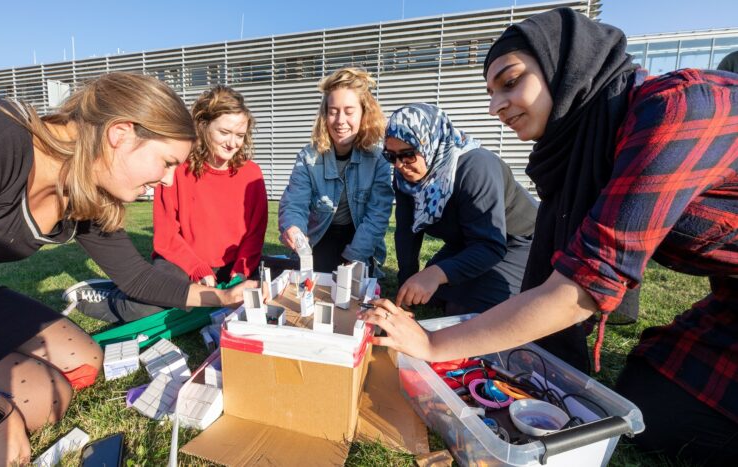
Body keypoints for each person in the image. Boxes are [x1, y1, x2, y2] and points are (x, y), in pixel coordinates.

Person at [361, 8, 737, 464]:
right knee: (650, 399)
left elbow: (581, 286)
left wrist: (432, 343)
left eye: (511, 81)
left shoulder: (677, 112)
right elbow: (556, 259)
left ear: (567, 66)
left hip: (502, 252)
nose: (494, 106)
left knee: (688, 429)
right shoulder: (576, 147)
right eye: (490, 92)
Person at [0, 73, 253, 466]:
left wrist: (221, 297)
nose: (168, 179)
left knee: (81, 361)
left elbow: (136, 277)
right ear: (120, 134)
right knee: (26, 407)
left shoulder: (86, 184)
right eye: (166, 162)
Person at [66, 85, 267, 323]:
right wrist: (197, 268)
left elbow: (255, 233)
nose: (232, 143)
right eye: (224, 132)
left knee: (252, 301)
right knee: (142, 311)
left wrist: (241, 272)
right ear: (203, 126)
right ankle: (106, 295)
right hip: (182, 263)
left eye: (240, 135)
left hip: (231, 266)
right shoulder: (174, 168)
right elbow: (166, 237)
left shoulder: (252, 173)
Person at [387, 103, 536, 315]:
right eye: (390, 156)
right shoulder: (405, 177)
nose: (399, 165)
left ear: (431, 142)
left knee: (462, 309)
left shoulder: (476, 167)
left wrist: (434, 274)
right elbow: (407, 231)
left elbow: (490, 245)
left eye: (408, 154)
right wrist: (407, 279)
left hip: (517, 241)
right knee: (429, 294)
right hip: (466, 242)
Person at [279, 67, 393, 275]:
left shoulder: (379, 160)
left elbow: (377, 216)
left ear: (364, 114)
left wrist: (355, 256)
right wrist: (293, 227)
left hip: (359, 234)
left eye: (349, 112)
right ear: (325, 115)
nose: (340, 121)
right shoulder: (307, 158)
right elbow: (295, 203)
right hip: (320, 236)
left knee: (351, 284)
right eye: (333, 112)